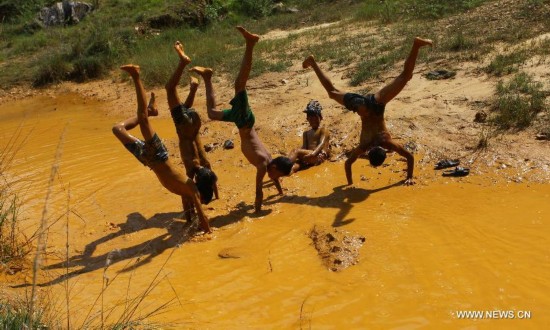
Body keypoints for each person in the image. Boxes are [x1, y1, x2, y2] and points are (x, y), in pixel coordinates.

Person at [302, 37, 432, 185]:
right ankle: (312, 62)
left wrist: (409, 176)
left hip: (377, 103)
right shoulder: (364, 147)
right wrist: (349, 183)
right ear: (369, 154)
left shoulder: (388, 143)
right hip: (362, 107)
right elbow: (348, 163)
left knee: (405, 76)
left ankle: (416, 44)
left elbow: (409, 157)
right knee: (332, 92)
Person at [189, 26, 292, 213]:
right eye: (278, 175)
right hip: (244, 120)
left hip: (241, 122)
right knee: (239, 85)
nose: (275, 177)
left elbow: (271, 180)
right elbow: (258, 190)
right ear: (275, 166)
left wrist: (280, 192)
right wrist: (257, 211)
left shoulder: (269, 162)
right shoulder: (263, 164)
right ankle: (250, 44)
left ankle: (207, 77)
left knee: (212, 113)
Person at [111, 64, 211, 233]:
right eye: (202, 199)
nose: (199, 202)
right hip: (158, 155)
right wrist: (206, 234)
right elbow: (205, 223)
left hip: (148, 160)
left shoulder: (189, 192)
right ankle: (136, 75)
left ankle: (150, 110)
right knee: (143, 120)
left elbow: (191, 212)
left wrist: (188, 224)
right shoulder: (192, 190)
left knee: (117, 129)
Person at [165, 41, 219, 221]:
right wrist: (189, 217)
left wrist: (191, 215)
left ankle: (186, 70)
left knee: (174, 96)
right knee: (172, 94)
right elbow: (186, 193)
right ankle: (184, 66)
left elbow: (211, 179)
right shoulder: (193, 169)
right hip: (187, 129)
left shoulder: (205, 168)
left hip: (195, 124)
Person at [289, 100, 330, 173]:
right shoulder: (306, 133)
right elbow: (305, 147)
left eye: (315, 118)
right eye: (310, 118)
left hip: (317, 156)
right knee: (296, 165)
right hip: (309, 157)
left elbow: (322, 144)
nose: (313, 120)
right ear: (307, 119)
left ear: (321, 117)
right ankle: (285, 173)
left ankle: (283, 168)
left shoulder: (323, 130)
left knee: (295, 151)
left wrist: (313, 154)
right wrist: (301, 158)